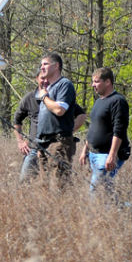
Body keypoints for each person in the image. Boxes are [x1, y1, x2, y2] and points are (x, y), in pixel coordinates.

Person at [16, 70, 87, 182]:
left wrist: (68, 131)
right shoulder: (29, 98)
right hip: (34, 148)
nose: (45, 81)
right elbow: (17, 120)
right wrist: (20, 141)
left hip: (55, 146)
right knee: (25, 182)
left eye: (47, 78)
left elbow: (81, 115)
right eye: (42, 78)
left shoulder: (57, 96)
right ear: (36, 78)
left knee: (57, 181)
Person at [79, 67, 130, 197]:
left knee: (97, 193)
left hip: (107, 156)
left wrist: (112, 155)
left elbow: (119, 130)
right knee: (105, 192)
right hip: (94, 154)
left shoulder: (118, 101)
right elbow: (93, 128)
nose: (93, 85)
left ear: (107, 82)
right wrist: (85, 151)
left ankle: (120, 211)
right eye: (92, 82)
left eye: (96, 82)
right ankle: (122, 210)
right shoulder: (98, 102)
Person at [34, 52, 77, 190]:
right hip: (43, 144)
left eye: (45, 64)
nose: (42, 67)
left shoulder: (65, 84)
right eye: (41, 65)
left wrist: (44, 97)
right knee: (44, 186)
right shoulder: (49, 87)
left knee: (59, 185)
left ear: (56, 66)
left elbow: (59, 110)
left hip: (58, 142)